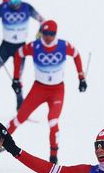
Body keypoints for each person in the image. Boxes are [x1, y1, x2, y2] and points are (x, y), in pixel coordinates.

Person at [6, 19, 86, 164]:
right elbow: (19, 54)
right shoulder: (35, 46)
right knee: (20, 117)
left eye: (51, 34)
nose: (48, 37)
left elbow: (76, 54)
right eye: (45, 33)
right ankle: (1, 141)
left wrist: (81, 78)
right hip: (39, 88)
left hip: (57, 90)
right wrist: (16, 79)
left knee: (53, 120)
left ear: (55, 34)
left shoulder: (63, 45)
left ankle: (53, 156)